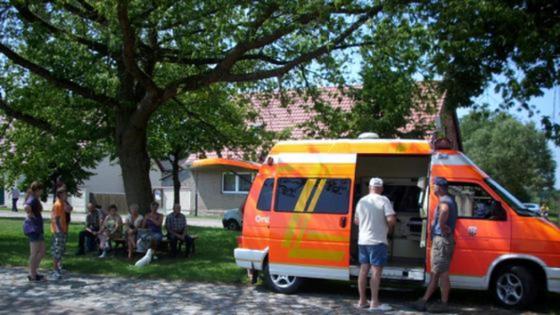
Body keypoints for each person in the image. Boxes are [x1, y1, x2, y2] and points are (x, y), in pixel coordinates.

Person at [413, 177, 458, 312]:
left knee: (439, 273)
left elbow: (444, 211)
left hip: (441, 241)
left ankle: (435, 302)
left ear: (440, 187)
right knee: (439, 273)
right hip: (444, 241)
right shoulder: (450, 199)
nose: (433, 188)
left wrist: (442, 225)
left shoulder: (444, 201)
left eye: (434, 186)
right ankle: (430, 301)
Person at [354, 177, 396, 311]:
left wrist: (367, 225)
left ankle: (362, 301)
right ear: (381, 188)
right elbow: (391, 219)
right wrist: (388, 228)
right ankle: (374, 303)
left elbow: (356, 221)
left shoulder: (362, 201)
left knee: (363, 270)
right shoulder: (384, 200)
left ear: (370, 188)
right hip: (377, 241)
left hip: (363, 241)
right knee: (376, 271)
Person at [23, 181, 45, 281]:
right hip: (33, 229)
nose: (42, 192)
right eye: (41, 190)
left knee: (42, 251)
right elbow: (26, 206)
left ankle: (34, 272)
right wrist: (29, 213)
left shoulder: (35, 198)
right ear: (37, 190)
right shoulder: (32, 198)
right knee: (34, 253)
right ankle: (32, 275)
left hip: (38, 228)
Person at [50, 188, 69, 280]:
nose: (66, 195)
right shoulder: (58, 204)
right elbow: (56, 219)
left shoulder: (62, 204)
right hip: (58, 231)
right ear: (60, 194)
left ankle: (58, 268)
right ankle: (55, 270)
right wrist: (61, 230)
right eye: (65, 194)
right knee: (57, 251)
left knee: (60, 251)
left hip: (62, 230)